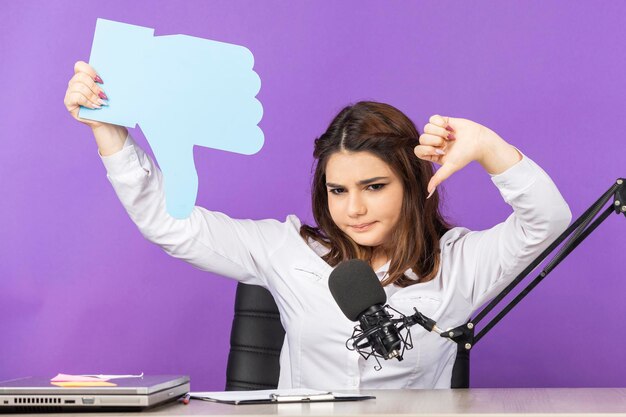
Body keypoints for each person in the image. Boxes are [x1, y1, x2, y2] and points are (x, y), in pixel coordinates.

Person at [64, 61, 572, 389]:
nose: (353, 209)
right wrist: (110, 132)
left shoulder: (460, 263)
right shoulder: (286, 249)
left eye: (374, 186)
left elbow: (548, 222)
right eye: (338, 190)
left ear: (413, 186)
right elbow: (168, 225)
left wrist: (486, 147)